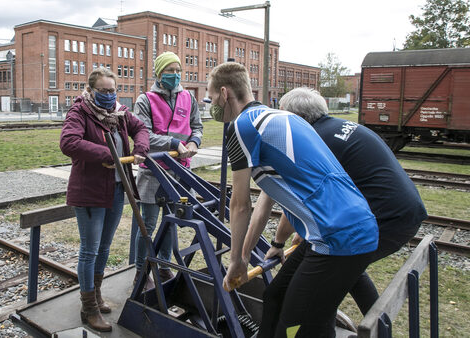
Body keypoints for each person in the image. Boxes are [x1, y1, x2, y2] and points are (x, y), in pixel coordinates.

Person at [208, 62, 379, 337]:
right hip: (353, 225)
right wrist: (276, 243)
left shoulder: (241, 126)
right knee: (275, 294)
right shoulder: (286, 117)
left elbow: (240, 204)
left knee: (296, 325)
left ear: (225, 93)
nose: (212, 103)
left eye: (212, 96)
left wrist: (237, 261)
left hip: (334, 235)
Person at [274, 87, 427, 315]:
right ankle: (376, 327)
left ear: (294, 117)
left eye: (281, 115)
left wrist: (277, 243)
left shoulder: (316, 142)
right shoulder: (340, 127)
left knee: (329, 276)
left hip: (385, 220)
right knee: (347, 267)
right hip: (404, 212)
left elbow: (298, 201)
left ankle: (325, 325)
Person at [60, 68, 149, 332]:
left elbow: (140, 127)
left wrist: (140, 148)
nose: (109, 96)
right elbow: (69, 143)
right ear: (90, 91)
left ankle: (96, 296)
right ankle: (88, 308)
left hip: (116, 189)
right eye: (103, 91)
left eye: (112, 91)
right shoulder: (79, 112)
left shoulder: (118, 114)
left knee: (105, 247)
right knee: (90, 250)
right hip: (89, 191)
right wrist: (107, 153)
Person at [131, 51, 203, 286]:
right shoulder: (146, 99)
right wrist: (174, 143)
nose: (175, 75)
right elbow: (146, 135)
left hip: (179, 170)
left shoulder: (188, 98)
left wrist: (194, 142)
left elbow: (196, 126)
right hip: (154, 170)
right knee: (148, 225)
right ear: (159, 73)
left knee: (170, 222)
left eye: (177, 70)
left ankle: (163, 267)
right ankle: (141, 271)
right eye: (169, 71)